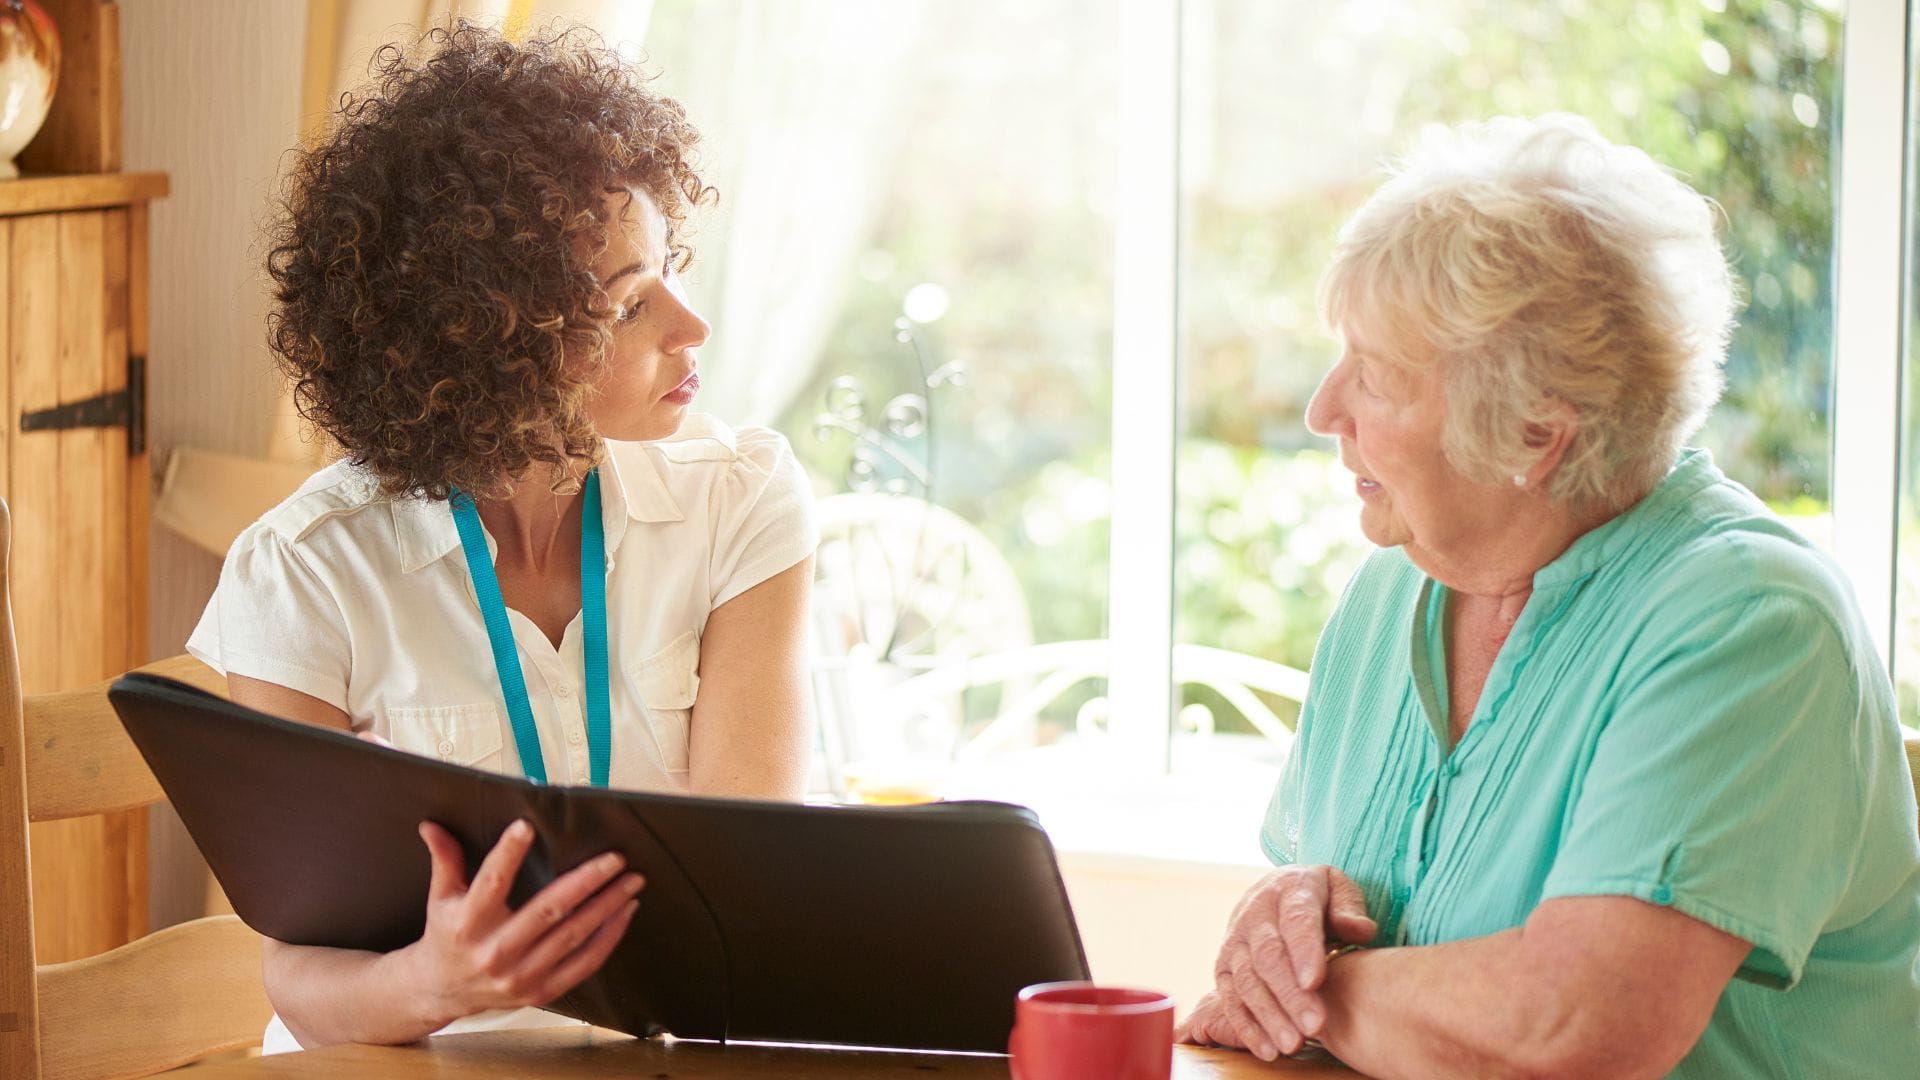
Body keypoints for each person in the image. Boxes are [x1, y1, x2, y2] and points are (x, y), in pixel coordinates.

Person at [1178, 114, 1920, 1078]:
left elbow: (1576, 1036)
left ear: (1536, 433)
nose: (1325, 410)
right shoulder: (1389, 591)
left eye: (1379, 375)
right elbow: (1369, 901)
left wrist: (1328, 994)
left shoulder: (1749, 623)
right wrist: (1283, 918)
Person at [186, 24, 817, 1051]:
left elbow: (747, 884)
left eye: (668, 272)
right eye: (628, 306)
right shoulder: (303, 573)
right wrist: (436, 982)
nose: (691, 328)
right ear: (482, 344)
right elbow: (303, 980)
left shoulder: (742, 502)